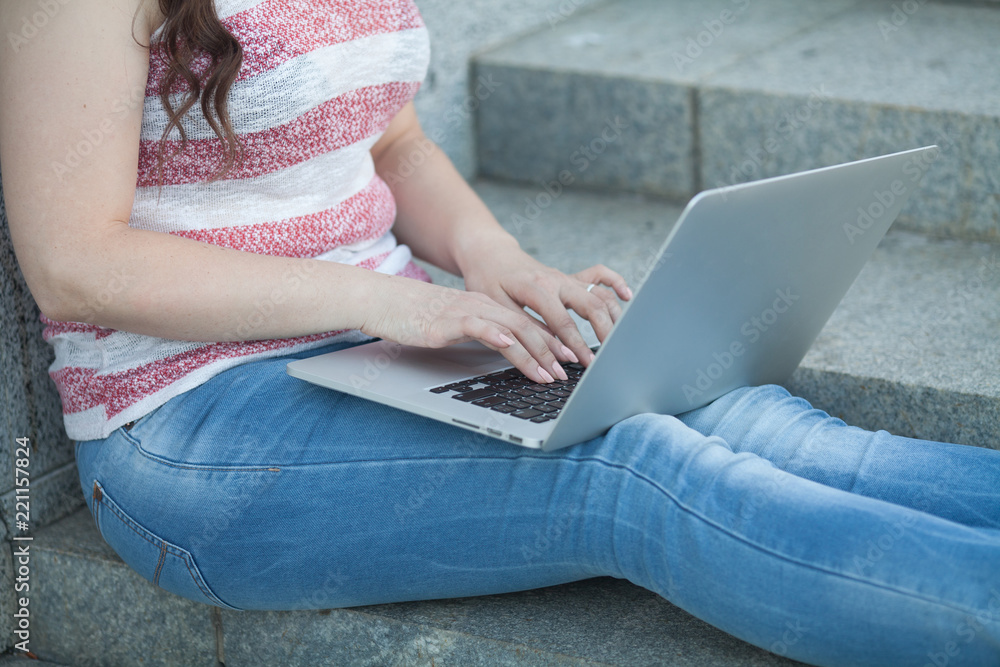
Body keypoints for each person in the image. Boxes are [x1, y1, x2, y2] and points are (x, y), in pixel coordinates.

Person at [1, 1, 997, 664]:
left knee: (742, 414)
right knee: (634, 467)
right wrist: (385, 302)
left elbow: (391, 139)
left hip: (382, 346)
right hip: (189, 421)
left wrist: (494, 259)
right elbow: (75, 259)